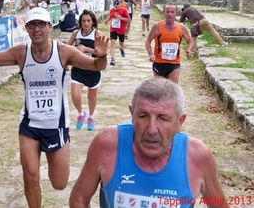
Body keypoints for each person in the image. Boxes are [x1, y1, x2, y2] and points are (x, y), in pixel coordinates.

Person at [0, 7, 108, 208]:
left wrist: (101, 56)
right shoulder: (21, 52)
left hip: (56, 124)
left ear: (50, 26)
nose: (37, 29)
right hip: (30, 124)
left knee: (59, 183)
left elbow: (95, 66)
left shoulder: (63, 51)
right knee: (30, 174)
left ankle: (57, 154)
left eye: (42, 24)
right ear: (27, 28)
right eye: (32, 25)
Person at [69, 77, 228, 208]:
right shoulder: (107, 144)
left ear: (180, 122)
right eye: (143, 116)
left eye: (163, 118)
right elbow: (79, 200)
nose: (152, 130)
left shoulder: (197, 156)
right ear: (132, 114)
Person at [68, 10, 102, 131]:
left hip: (93, 69)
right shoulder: (75, 33)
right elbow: (67, 48)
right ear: (80, 22)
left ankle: (91, 117)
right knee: (75, 95)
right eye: (83, 21)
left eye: (88, 21)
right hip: (78, 69)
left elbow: (101, 52)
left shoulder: (97, 34)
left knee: (91, 96)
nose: (86, 23)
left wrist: (86, 48)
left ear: (93, 22)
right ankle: (81, 113)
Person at [145, 3, 194, 84]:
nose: (170, 14)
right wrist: (150, 54)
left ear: (176, 13)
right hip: (159, 63)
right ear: (164, 13)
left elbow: (190, 41)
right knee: (159, 90)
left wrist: (189, 50)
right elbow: (148, 42)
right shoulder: (157, 26)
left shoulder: (182, 28)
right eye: (167, 12)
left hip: (174, 64)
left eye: (172, 12)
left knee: (172, 90)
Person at [105, 0, 129, 66]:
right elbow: (111, 16)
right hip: (113, 29)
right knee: (112, 43)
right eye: (114, 4)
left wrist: (120, 17)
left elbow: (127, 19)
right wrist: (107, 20)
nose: (115, 5)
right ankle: (112, 59)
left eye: (117, 4)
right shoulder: (112, 10)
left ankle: (121, 49)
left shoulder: (124, 10)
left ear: (120, 4)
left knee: (121, 43)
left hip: (121, 29)